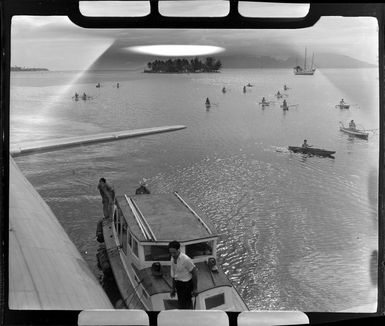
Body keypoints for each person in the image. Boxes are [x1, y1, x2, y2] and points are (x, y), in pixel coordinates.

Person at [169, 240, 198, 309]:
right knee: (181, 303)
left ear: (179, 250)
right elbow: (174, 274)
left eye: (174, 253)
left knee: (186, 304)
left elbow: (194, 272)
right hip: (178, 284)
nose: (172, 255)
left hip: (187, 285)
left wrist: (195, 289)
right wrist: (173, 288)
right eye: (171, 253)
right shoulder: (172, 258)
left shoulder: (186, 259)